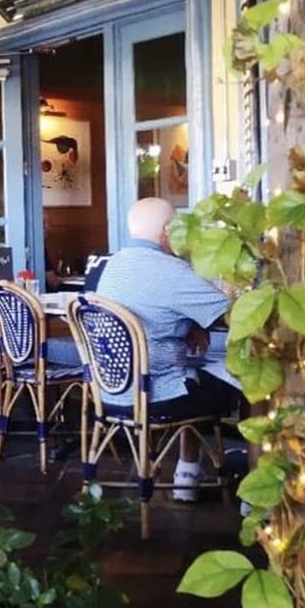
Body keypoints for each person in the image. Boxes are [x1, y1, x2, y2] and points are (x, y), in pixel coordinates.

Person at [96, 197, 232, 501]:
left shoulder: (114, 264)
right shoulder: (172, 270)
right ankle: (212, 482)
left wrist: (195, 323)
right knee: (230, 385)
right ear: (168, 230)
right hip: (158, 395)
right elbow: (232, 312)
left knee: (191, 368)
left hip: (110, 391)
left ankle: (188, 474)